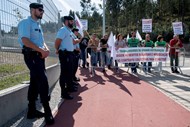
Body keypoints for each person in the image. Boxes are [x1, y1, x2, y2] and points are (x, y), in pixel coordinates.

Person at [18, 3, 54, 125]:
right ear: (33, 10)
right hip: (31, 56)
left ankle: (31, 110)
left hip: (39, 56)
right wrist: (41, 50)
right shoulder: (25, 22)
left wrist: (46, 49)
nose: (42, 12)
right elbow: (25, 40)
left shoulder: (38, 25)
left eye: (43, 10)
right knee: (43, 80)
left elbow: (42, 42)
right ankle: (47, 110)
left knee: (34, 82)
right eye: (40, 10)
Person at [55, 15, 77, 100]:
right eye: (71, 21)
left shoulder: (69, 31)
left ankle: (69, 88)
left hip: (70, 54)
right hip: (65, 54)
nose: (72, 22)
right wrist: (58, 49)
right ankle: (63, 93)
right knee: (64, 74)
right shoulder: (63, 30)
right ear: (66, 21)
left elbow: (72, 42)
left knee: (69, 72)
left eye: (73, 21)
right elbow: (57, 41)